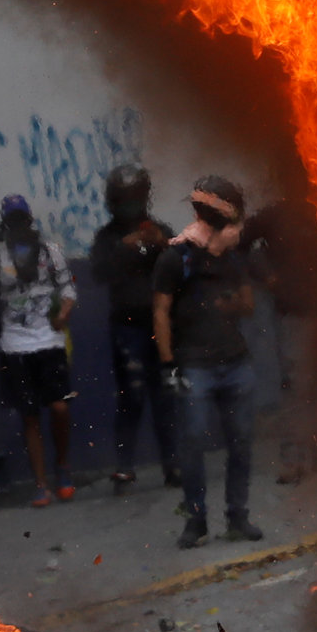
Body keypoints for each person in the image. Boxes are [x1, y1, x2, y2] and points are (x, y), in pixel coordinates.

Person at [155, 172, 273, 542]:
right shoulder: (176, 258)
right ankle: (196, 521)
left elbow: (249, 305)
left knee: (240, 443)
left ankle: (237, 518)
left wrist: (229, 304)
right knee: (193, 444)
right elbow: (160, 311)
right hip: (195, 366)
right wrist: (168, 363)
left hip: (235, 363)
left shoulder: (233, 258)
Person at [0, 193, 78, 504]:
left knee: (60, 407)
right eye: (13, 220)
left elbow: (69, 288)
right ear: (4, 224)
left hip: (49, 340)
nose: (18, 225)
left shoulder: (51, 253)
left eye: (22, 219)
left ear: (30, 221)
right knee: (29, 415)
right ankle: (40, 483)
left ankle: (62, 466)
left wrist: (63, 313)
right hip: (14, 344)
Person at [91, 164, 176, 491]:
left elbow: (183, 264)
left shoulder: (159, 230)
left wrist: (163, 243)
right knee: (132, 396)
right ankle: (125, 466)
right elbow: (98, 273)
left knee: (165, 397)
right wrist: (122, 249)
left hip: (161, 326)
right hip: (126, 327)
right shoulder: (107, 237)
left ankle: (173, 464)